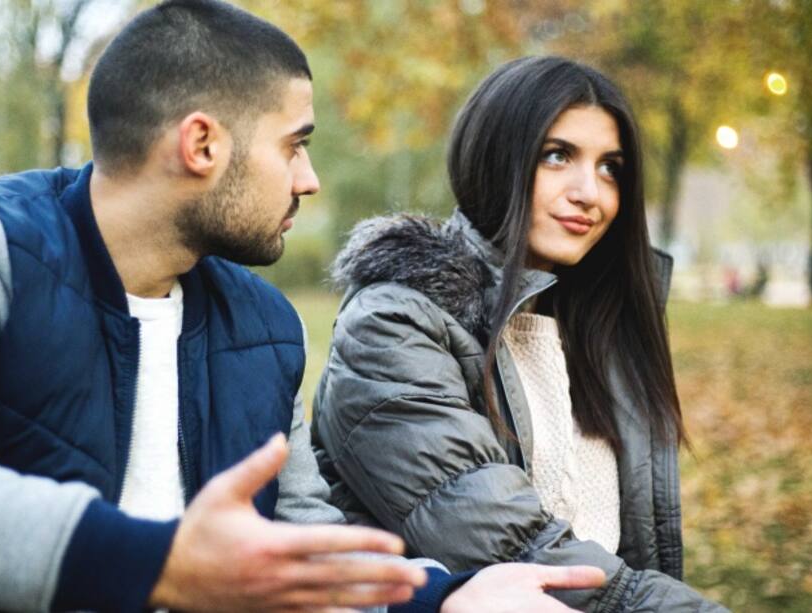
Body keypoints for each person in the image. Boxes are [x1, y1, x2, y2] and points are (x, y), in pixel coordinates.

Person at [0, 4, 607, 611]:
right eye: (294, 145)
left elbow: (301, 545)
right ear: (202, 145)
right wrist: (164, 562)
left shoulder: (266, 327)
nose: (309, 178)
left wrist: (445, 596)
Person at [312, 57, 728, 611]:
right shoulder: (394, 324)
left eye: (611, 168)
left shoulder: (599, 329)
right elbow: (516, 549)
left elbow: (631, 546)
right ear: (494, 158)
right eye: (558, 156)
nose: (591, 193)